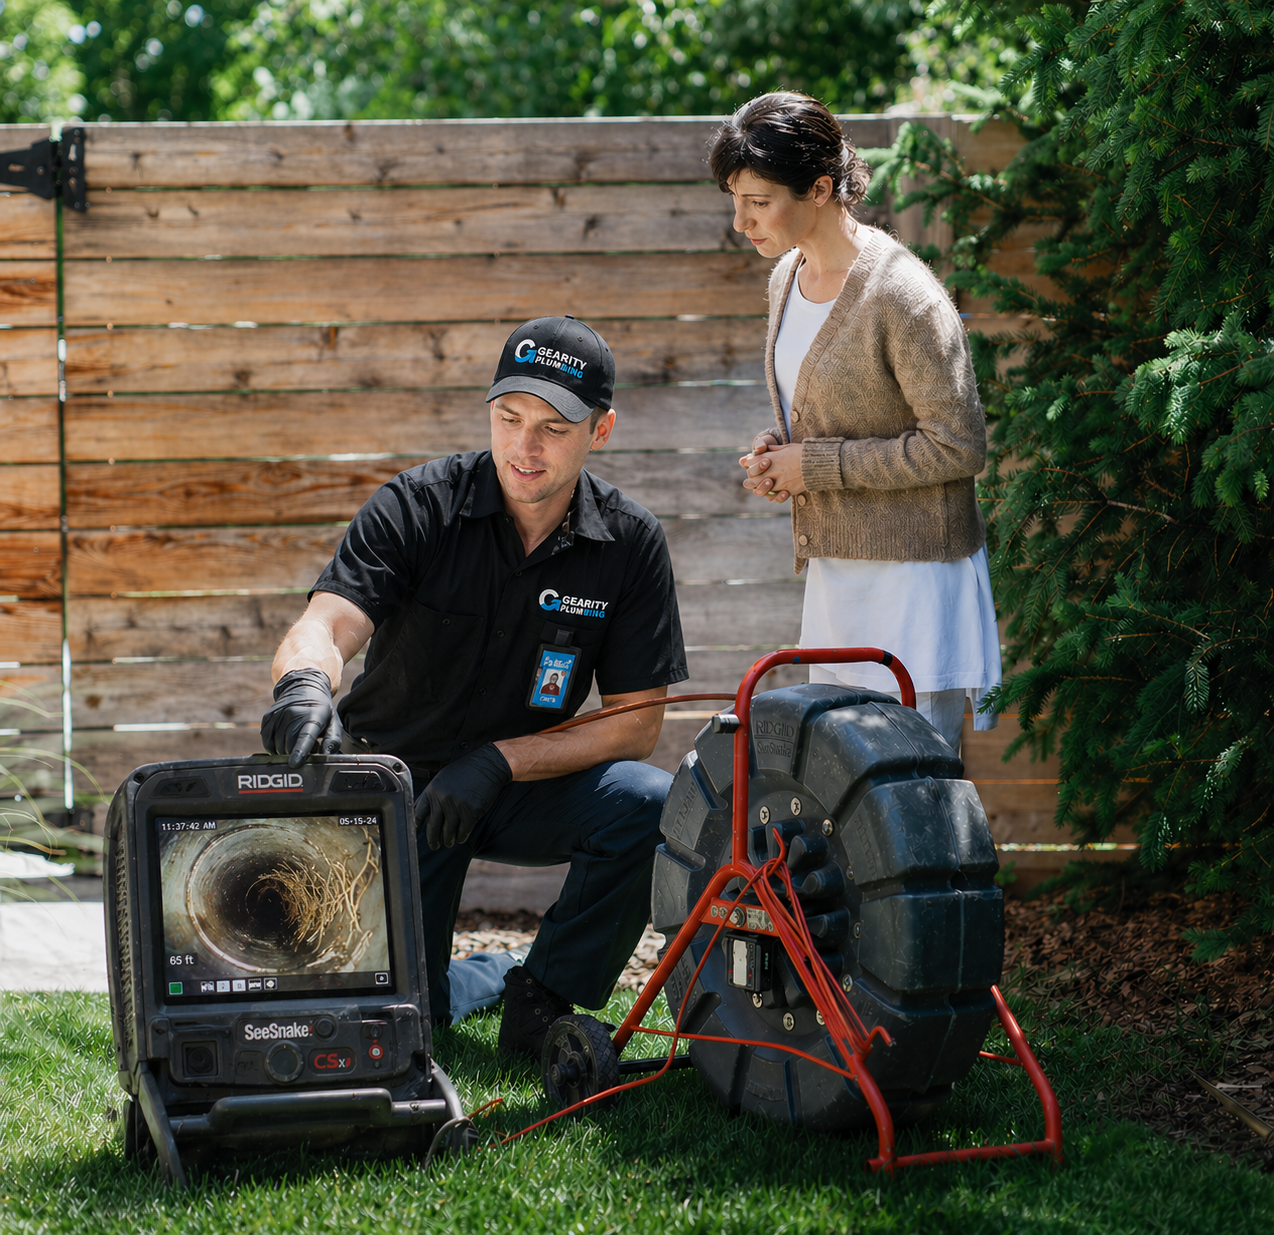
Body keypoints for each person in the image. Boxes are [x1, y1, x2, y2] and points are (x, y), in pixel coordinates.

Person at [260, 315, 687, 1058]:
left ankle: (542, 996)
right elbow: (326, 624)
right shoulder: (417, 504)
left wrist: (499, 761)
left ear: (602, 429)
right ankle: (476, 976)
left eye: (554, 428)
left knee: (650, 804)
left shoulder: (630, 542)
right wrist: (302, 686)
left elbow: (637, 722)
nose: (525, 447)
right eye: (509, 418)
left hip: (516, 784)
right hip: (393, 788)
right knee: (402, 1025)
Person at [715, 93, 999, 752]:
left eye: (757, 202)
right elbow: (827, 412)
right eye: (735, 200)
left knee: (914, 793)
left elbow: (958, 445)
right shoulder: (786, 278)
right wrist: (779, 453)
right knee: (840, 792)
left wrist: (813, 466)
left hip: (915, 586)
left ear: (819, 189)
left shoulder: (902, 294)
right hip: (837, 585)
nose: (740, 221)